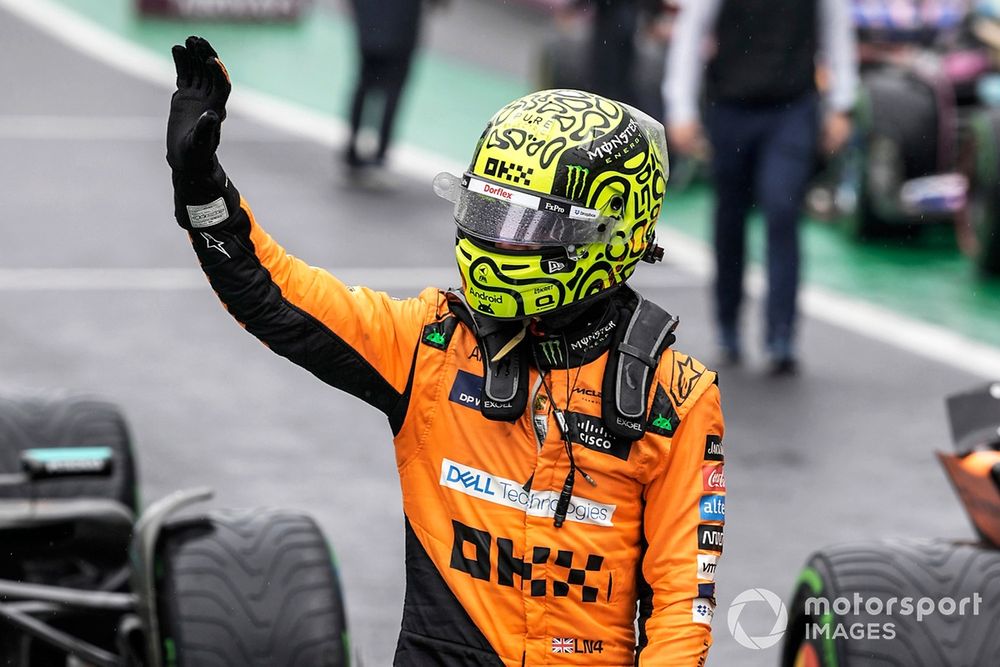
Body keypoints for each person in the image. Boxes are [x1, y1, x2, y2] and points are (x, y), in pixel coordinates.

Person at [166, 36, 726, 665]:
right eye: (485, 213)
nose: (495, 242)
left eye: (527, 228)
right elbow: (277, 300)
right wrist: (201, 189)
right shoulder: (432, 342)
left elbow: (682, 605)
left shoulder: (675, 397)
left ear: (613, 232)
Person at [664, 0, 859, 374]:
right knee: (729, 216)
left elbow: (837, 29)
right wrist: (681, 110)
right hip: (731, 107)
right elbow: (691, 32)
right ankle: (727, 324)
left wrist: (842, 104)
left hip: (791, 108)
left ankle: (781, 334)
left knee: (782, 209)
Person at [344, 0, 434, 169]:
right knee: (393, 85)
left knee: (365, 80)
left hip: (370, 17)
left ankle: (352, 148)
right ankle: (379, 154)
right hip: (402, 20)